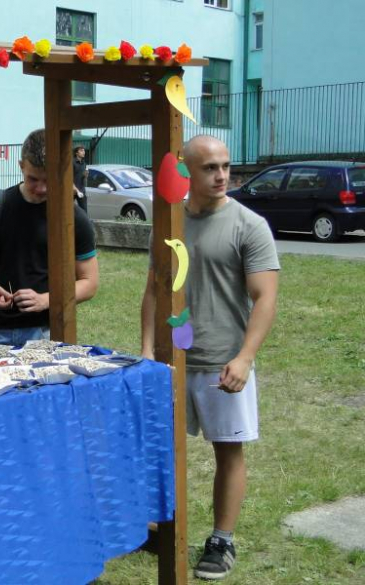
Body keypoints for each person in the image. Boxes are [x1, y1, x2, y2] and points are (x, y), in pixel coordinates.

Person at [140, 135, 279, 581]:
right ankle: (163, 527)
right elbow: (154, 288)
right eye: (209, 168)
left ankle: (221, 540)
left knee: (229, 451)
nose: (221, 175)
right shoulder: (170, 222)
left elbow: (265, 298)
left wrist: (245, 358)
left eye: (225, 166)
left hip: (223, 363)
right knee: (164, 449)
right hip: (173, 360)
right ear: (187, 171)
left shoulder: (249, 225)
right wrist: (147, 350)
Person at [0, 129, 99, 347]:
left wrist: (45, 300)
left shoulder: (73, 218)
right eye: (33, 179)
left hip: (46, 331)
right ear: (21, 167)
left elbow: (90, 282)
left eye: (48, 180)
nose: (40, 188)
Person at [73, 145, 89, 212]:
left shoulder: (84, 163)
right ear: (76, 153)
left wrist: (85, 175)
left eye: (84, 150)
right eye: (81, 150)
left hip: (81, 190)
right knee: (67, 209)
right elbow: (69, 178)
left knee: (84, 211)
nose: (83, 152)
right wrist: (75, 189)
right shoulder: (72, 162)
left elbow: (84, 179)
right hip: (72, 190)